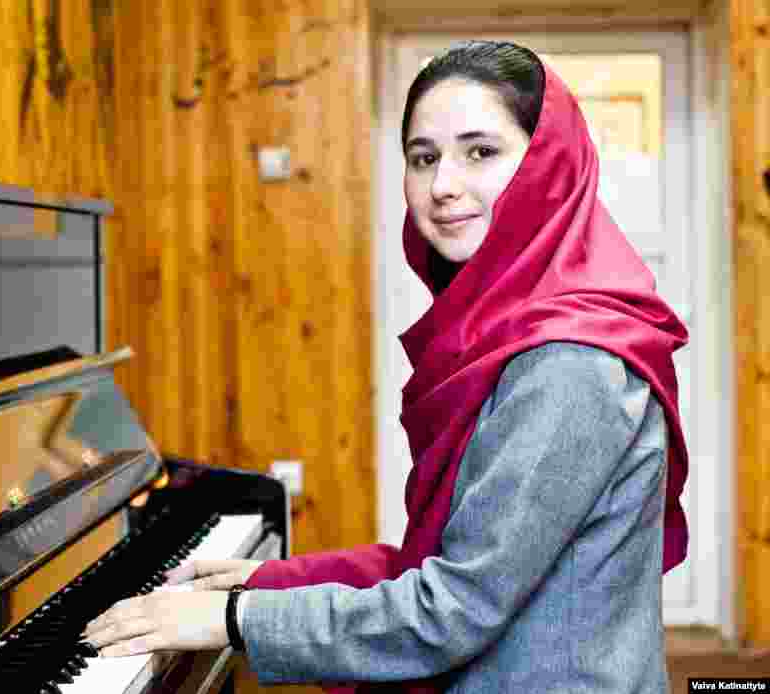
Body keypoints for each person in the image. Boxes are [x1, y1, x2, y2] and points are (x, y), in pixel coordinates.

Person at [82, 40, 690, 693]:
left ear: (550, 166)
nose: (443, 186)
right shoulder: (514, 331)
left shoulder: (568, 363)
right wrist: (269, 579)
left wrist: (233, 617)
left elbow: (451, 609)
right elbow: (448, 558)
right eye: (422, 158)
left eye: (480, 151)